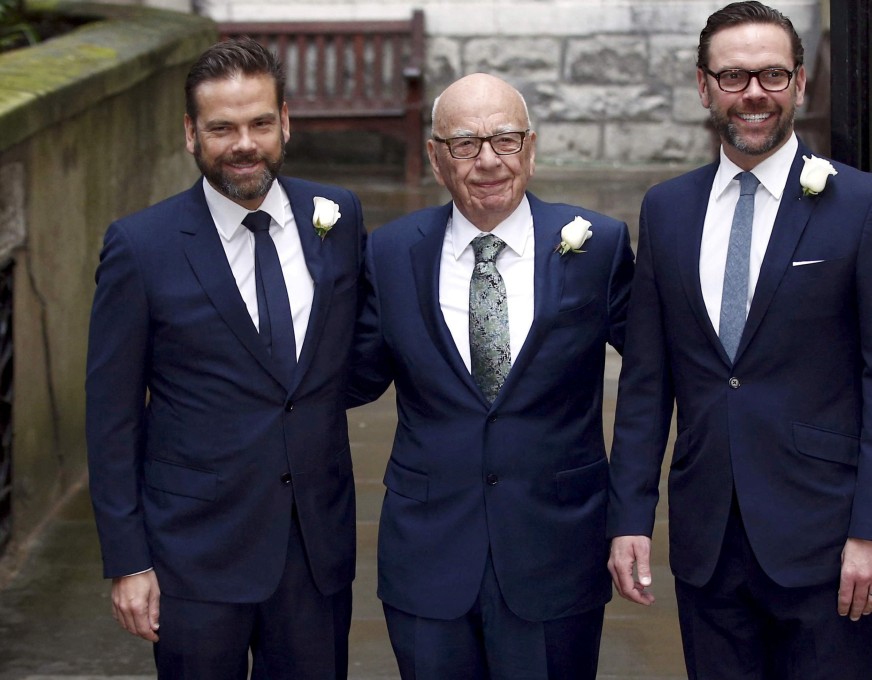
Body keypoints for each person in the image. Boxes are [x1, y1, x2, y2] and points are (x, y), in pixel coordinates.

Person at [606, 2, 872, 677]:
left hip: (827, 541)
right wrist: (630, 516)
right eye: (734, 76)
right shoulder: (666, 210)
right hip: (707, 540)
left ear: (800, 83)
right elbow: (645, 383)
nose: (754, 93)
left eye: (773, 75)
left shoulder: (866, 206)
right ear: (704, 87)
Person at [85, 37, 364, 679]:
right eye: (222, 128)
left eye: (261, 123)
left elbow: (350, 358)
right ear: (191, 133)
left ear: (285, 121)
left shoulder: (338, 217)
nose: (245, 144)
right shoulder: (141, 246)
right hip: (192, 554)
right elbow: (111, 417)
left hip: (314, 550)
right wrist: (128, 561)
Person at [348, 73, 634, 679]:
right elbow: (351, 377)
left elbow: (658, 375)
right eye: (465, 143)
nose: (487, 162)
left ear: (531, 146)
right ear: (435, 156)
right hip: (428, 559)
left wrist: (631, 515)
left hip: (555, 551)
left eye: (505, 140)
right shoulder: (390, 253)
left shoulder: (598, 246)